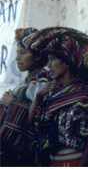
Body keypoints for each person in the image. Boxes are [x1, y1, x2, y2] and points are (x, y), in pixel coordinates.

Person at [24, 27, 88, 166]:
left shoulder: (84, 94)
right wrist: (37, 97)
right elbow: (32, 123)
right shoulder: (51, 93)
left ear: (67, 63)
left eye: (52, 59)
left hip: (76, 162)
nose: (48, 65)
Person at [0, 28, 50, 166]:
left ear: (38, 56)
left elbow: (41, 112)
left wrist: (12, 103)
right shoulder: (30, 79)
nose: (17, 58)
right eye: (17, 53)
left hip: (25, 153)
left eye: (22, 53)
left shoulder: (41, 80)